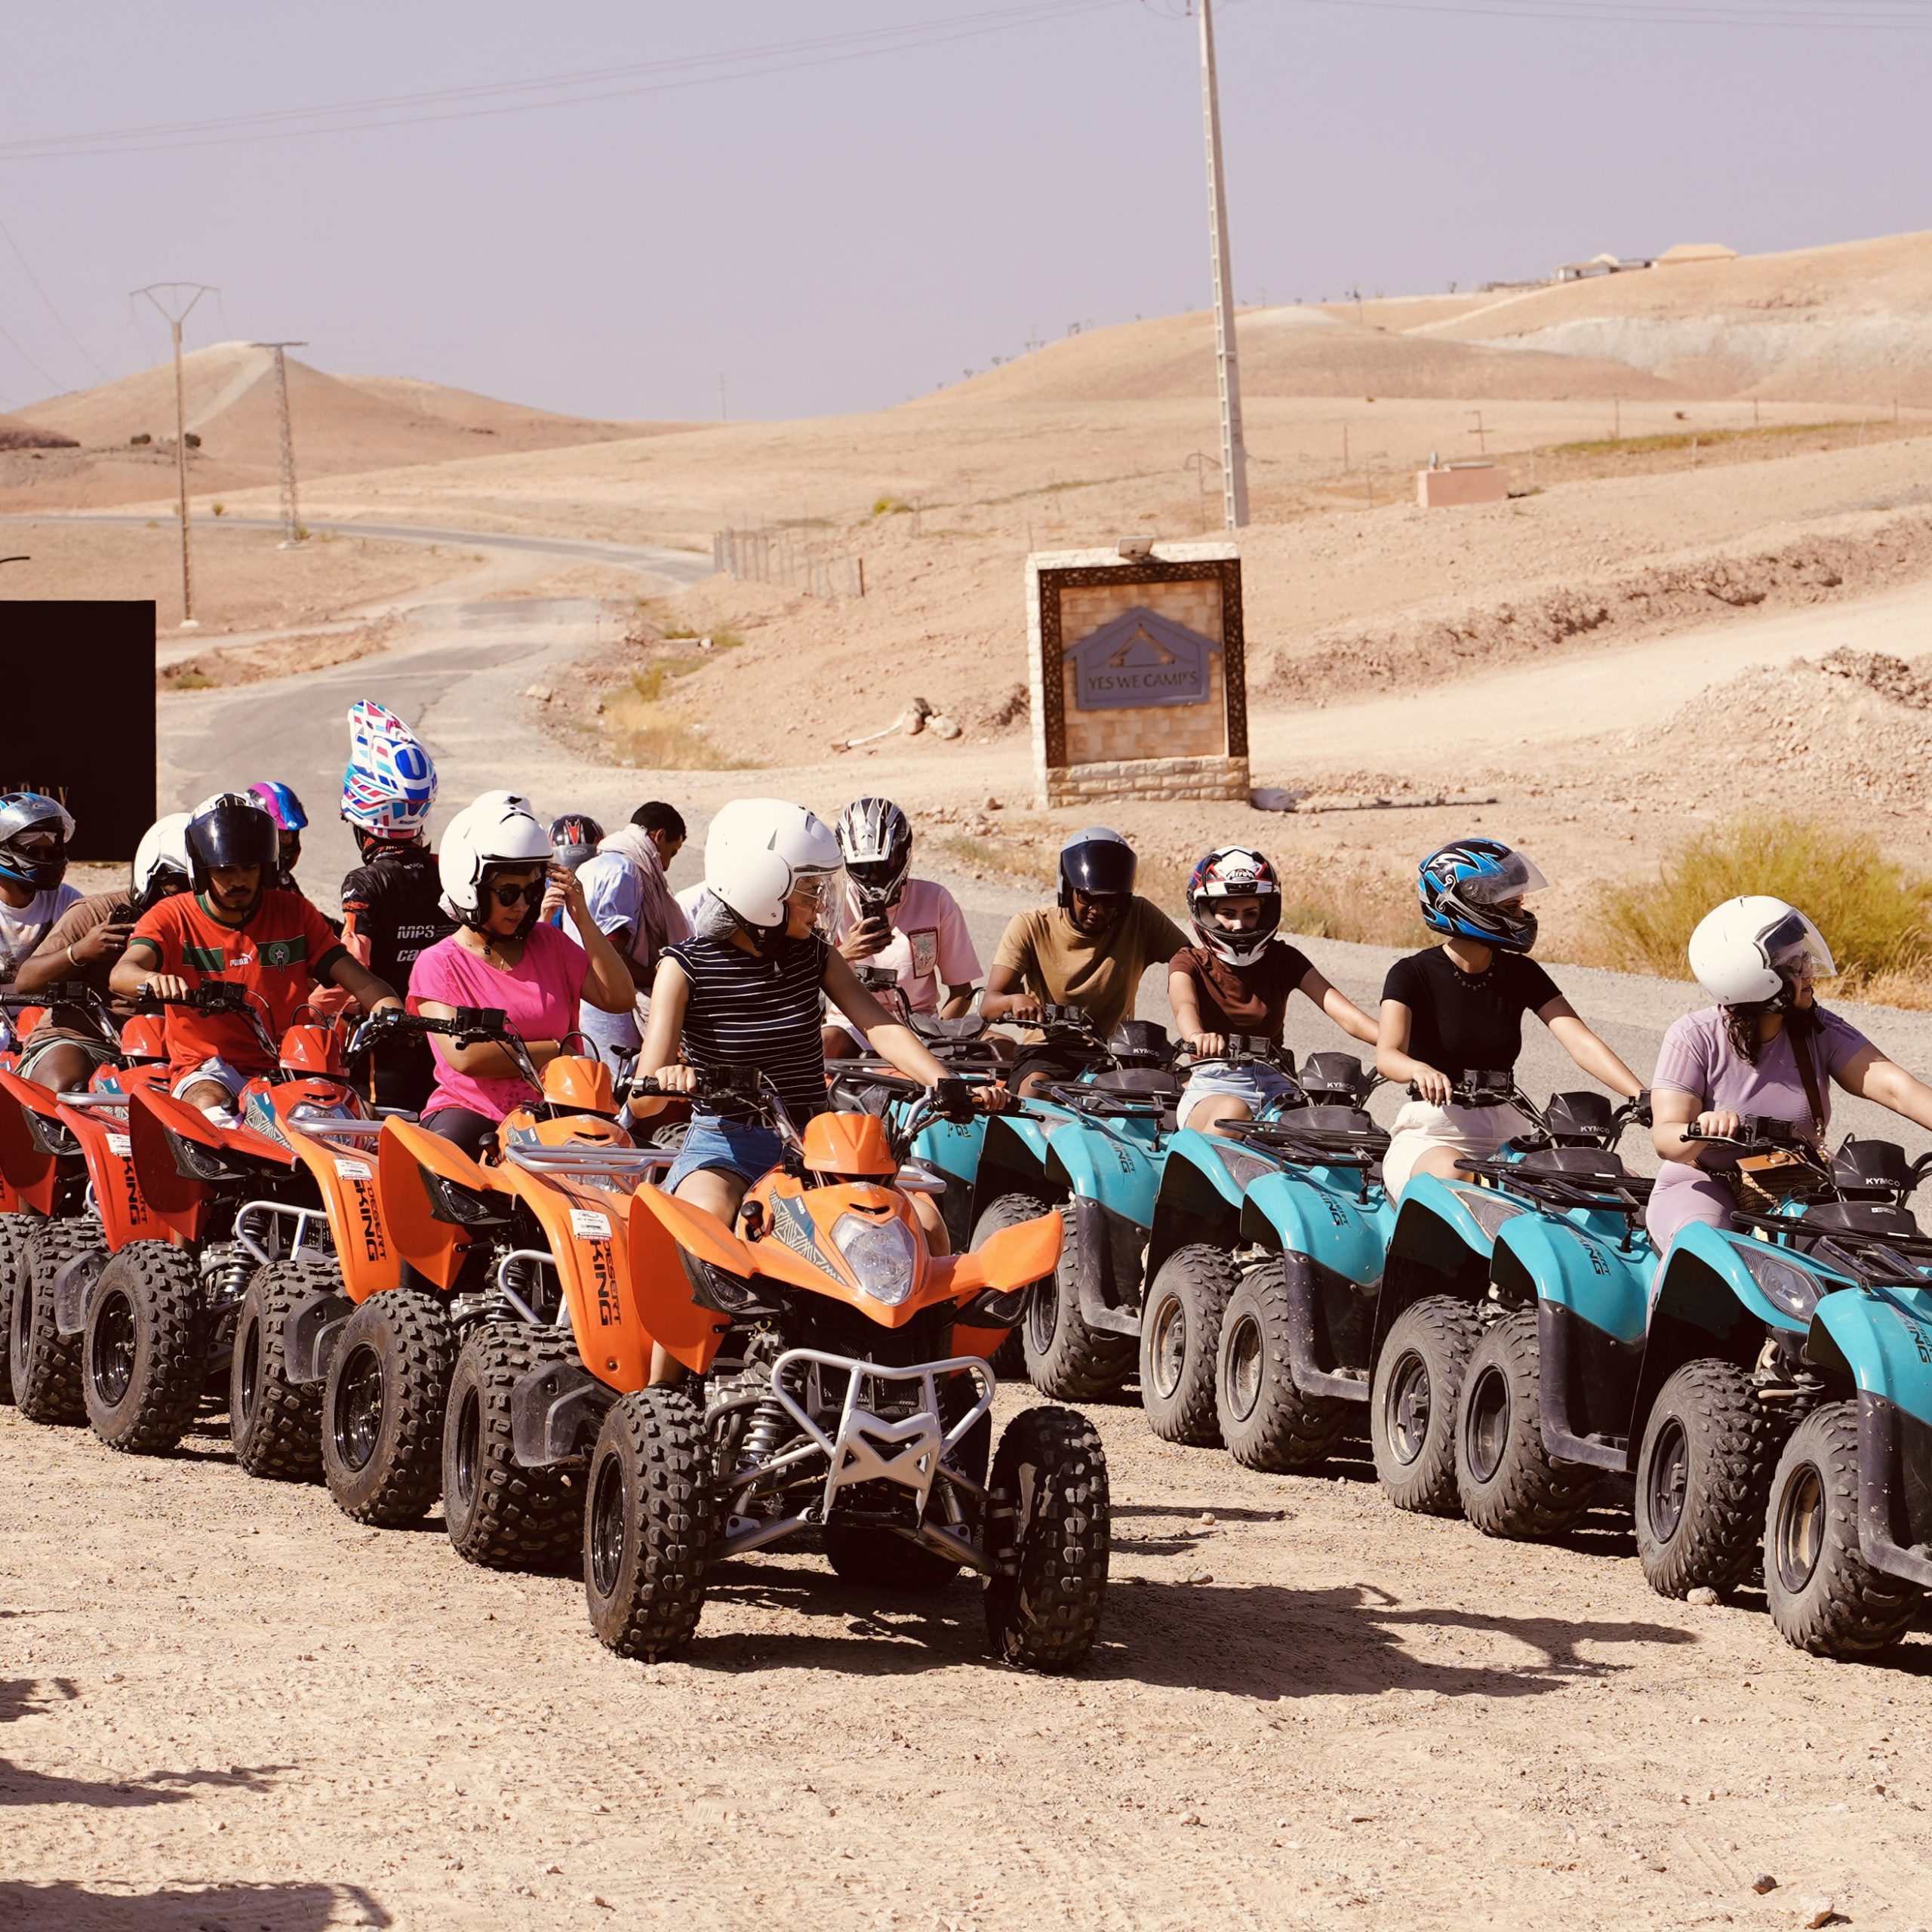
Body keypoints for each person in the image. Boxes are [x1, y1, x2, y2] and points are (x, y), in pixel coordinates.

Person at [630, 803, 967, 1357]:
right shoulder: (682, 967)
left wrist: (945, 1081)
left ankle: (926, 1375)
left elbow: (878, 1025)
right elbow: (644, 1101)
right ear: (762, 891)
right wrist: (667, 1079)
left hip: (816, 1146)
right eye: (809, 890)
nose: (821, 904)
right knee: (701, 1228)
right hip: (726, 1143)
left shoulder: (814, 955)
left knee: (924, 1225)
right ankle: (665, 1403)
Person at [1647, 896, 1932, 1254]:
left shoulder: (1816, 1028)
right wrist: (1703, 1127)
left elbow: (1897, 1089)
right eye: (1797, 964)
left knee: (1896, 1253)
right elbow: (1666, 1137)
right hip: (1706, 1183)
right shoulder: (1693, 1036)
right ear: (1757, 980)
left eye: (1806, 957)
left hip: (1795, 1185)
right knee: (1705, 1250)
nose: (1810, 970)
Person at [108, 793, 404, 1121]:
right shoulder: (171, 916)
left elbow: (360, 981)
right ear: (203, 869)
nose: (239, 881)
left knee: (362, 1118)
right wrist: (151, 979)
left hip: (293, 1065)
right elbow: (123, 972)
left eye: (249, 868)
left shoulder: (295, 913)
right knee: (210, 1107)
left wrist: (390, 1010)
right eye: (226, 870)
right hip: (208, 1071)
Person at [1377, 838, 1643, 1198]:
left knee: (1618, 1181)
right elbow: (1387, 1054)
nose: (1522, 916)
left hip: (1509, 1129)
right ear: (1465, 905)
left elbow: (1580, 1040)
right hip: (1433, 1133)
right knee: (1455, 1178)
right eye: (1512, 906)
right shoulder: (1412, 973)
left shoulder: (1521, 973)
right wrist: (1418, 1069)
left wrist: (1643, 1095)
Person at [405, 793, 636, 1155]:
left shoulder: (551, 943)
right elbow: (467, 1058)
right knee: (444, 1168)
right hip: (474, 1113)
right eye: (509, 893)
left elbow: (619, 997)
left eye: (531, 891)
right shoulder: (439, 964)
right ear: (470, 890)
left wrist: (583, 918)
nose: (523, 906)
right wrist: (558, 1051)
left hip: (560, 1112)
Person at [1168, 844, 1379, 1136]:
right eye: (1228, 913)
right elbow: (1184, 1005)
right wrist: (1197, 1037)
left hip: (1278, 1085)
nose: (1240, 925)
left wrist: (1404, 1046)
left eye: (1250, 913)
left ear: (1266, 912)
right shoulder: (1189, 961)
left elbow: (1346, 1015)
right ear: (1205, 912)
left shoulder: (1283, 959)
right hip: (1213, 1085)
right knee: (1233, 1115)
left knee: (1338, 1129)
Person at [981, 826, 1186, 1096]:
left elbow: (1192, 964)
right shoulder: (1031, 926)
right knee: (1034, 1092)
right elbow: (989, 1005)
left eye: (1109, 900)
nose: (1098, 910)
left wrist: (1195, 1023)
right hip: (1047, 1051)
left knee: (1173, 1101)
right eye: (1087, 897)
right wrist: (1013, 1001)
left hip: (1118, 1053)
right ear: (1067, 889)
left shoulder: (1139, 917)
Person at [13, 813, 190, 1094]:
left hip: (179, 1045)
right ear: (151, 874)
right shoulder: (95, 912)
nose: (185, 899)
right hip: (86, 1037)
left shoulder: (210, 923)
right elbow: (26, 982)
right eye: (177, 887)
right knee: (63, 1087)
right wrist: (81, 952)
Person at [337, 700, 455, 1112]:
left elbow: (351, 969)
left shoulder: (365, 881)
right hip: (451, 1042)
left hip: (386, 1052)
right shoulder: (450, 869)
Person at [823, 796, 981, 1057]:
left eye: (882, 866)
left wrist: (939, 1033)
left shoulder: (936, 900)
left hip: (921, 1028)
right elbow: (801, 979)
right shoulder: (831, 904)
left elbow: (962, 990)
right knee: (822, 1045)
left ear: (903, 853)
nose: (873, 877)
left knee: (1001, 1048)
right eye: (861, 868)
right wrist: (846, 953)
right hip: (852, 1026)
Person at [0, 793, 82, 991]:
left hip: (44, 1017)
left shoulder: (65, 900)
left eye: (52, 852)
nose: (47, 860)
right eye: (33, 851)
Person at [248, 782, 309, 891]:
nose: (284, 840)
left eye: (288, 833)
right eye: (276, 833)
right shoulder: (243, 891)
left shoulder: (285, 883)